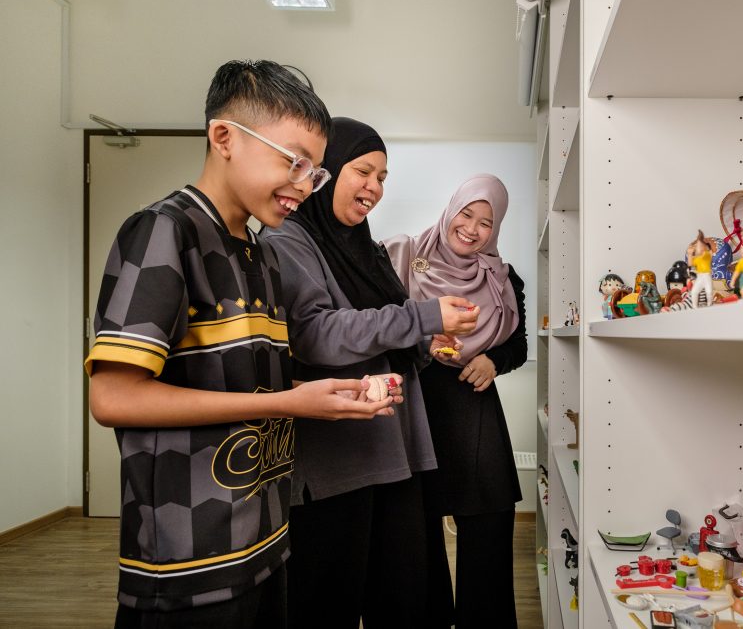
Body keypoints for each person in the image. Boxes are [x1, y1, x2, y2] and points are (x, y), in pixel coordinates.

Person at [85, 60, 398, 629]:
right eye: (292, 161)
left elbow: (248, 384)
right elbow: (114, 398)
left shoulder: (264, 251)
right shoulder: (163, 232)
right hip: (190, 561)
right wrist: (285, 403)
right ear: (224, 137)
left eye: (315, 173)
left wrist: (324, 395)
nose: (304, 185)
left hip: (268, 541)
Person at [259, 117, 480, 627]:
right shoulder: (289, 243)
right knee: (327, 604)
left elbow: (386, 335)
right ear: (326, 170)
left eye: (383, 177)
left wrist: (427, 341)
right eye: (363, 171)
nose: (374, 188)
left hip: (396, 450)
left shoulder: (365, 251)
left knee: (404, 600)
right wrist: (422, 317)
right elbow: (314, 334)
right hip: (340, 466)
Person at [385, 174, 527, 628]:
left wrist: (493, 360)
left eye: (486, 222)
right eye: (466, 214)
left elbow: (518, 345)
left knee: (488, 526)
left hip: (474, 409)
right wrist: (422, 343)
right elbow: (380, 330)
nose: (472, 228)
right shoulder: (404, 257)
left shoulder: (504, 279)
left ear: (496, 229)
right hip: (415, 408)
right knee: (414, 534)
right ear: (451, 209)